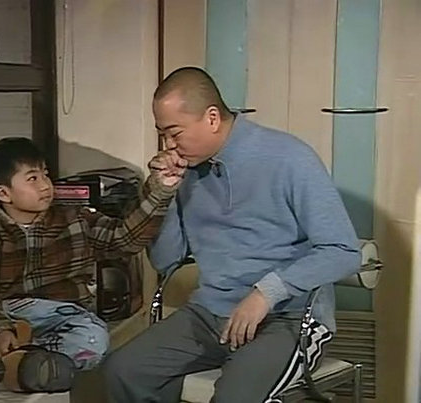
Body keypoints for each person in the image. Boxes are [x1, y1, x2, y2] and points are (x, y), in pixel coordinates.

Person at [104, 67, 361, 402]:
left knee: (234, 396)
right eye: (162, 134)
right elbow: (167, 261)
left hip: (290, 317)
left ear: (212, 118)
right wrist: (160, 196)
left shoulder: (289, 158)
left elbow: (343, 250)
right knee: (122, 370)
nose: (169, 145)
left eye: (174, 133)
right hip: (210, 313)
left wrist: (265, 293)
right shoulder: (186, 171)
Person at [0, 137, 186, 393]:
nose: (45, 185)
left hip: (62, 315)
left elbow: (125, 238)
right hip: (8, 313)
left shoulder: (76, 218)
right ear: (3, 193)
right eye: (33, 178)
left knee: (95, 337)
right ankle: (22, 365)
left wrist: (159, 191)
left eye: (45, 174)